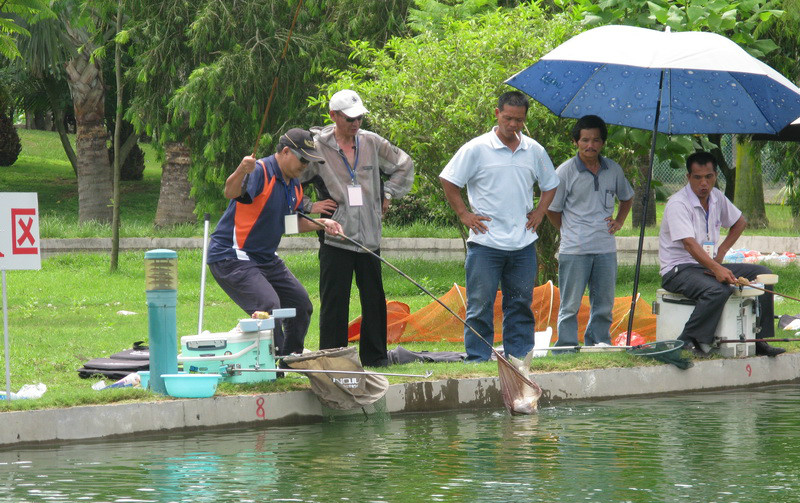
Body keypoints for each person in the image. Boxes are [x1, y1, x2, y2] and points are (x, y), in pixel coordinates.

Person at [439, 90, 560, 362]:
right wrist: (464, 214)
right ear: (497, 114)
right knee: (479, 305)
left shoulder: (534, 150)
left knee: (520, 304)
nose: (513, 125)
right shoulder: (476, 148)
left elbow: (550, 184)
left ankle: (519, 358)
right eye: (508, 118)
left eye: (519, 120)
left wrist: (540, 211)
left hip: (523, 243)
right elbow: (449, 180)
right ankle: (478, 359)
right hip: (485, 244)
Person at [300, 89, 414, 367]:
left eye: (360, 117)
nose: (356, 123)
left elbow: (404, 164)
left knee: (374, 298)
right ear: (333, 116)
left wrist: (387, 193)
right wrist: (309, 206)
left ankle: (375, 357)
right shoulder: (316, 146)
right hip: (336, 236)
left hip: (370, 236)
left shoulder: (372, 142)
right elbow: (289, 178)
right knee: (335, 299)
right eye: (350, 118)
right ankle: (333, 357)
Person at [206, 128, 343, 356]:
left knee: (301, 305)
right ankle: (273, 367)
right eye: (302, 159)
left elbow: (288, 224)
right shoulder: (260, 170)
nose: (305, 166)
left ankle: (290, 360)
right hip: (232, 256)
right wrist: (242, 169)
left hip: (266, 259)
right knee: (269, 307)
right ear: (286, 151)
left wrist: (322, 224)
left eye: (309, 162)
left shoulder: (295, 185)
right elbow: (230, 191)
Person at [658, 150, 784, 357]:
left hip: (705, 266)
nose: (703, 183)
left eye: (709, 177)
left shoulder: (716, 197)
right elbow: (689, 244)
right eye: (697, 177)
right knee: (718, 289)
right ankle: (688, 340)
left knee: (762, 274)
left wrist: (721, 253)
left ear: (715, 176)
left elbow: (740, 222)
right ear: (688, 177)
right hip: (677, 270)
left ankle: (758, 339)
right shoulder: (677, 204)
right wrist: (716, 267)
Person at [547, 115, 634, 349]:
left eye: (596, 140)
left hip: (605, 247)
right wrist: (567, 229)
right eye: (585, 140)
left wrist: (619, 221)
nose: (590, 145)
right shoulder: (564, 172)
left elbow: (627, 197)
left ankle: (599, 343)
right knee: (571, 304)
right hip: (574, 249)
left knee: (604, 303)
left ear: (603, 143)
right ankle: (565, 346)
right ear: (576, 142)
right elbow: (552, 210)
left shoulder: (613, 169)